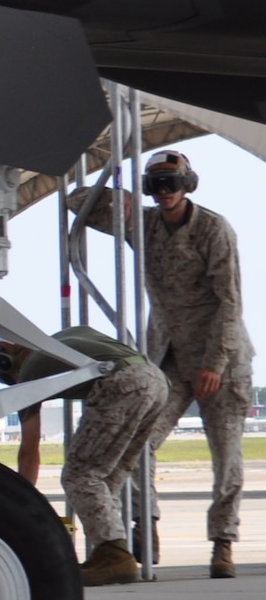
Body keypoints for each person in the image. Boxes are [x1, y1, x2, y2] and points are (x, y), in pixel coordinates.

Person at [72, 151, 254, 577]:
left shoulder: (213, 229)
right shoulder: (145, 224)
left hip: (220, 357)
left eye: (172, 183)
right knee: (138, 445)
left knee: (226, 456)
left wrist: (214, 363)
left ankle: (223, 544)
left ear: (188, 183)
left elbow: (230, 302)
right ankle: (144, 525)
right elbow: (79, 200)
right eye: (156, 186)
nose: (165, 193)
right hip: (168, 358)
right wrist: (124, 198)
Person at [0, 325, 170, 586]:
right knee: (108, 479)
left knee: (79, 476)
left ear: (11, 355)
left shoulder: (29, 373)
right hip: (156, 381)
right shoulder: (68, 337)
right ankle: (113, 551)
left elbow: (29, 452)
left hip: (123, 383)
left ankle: (114, 554)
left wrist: (21, 502)